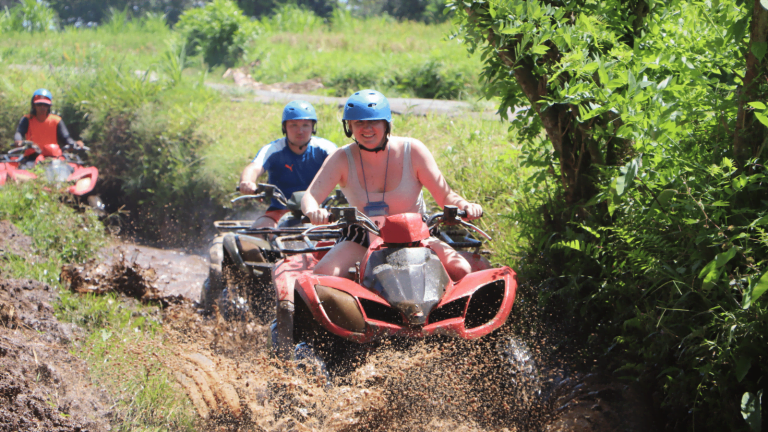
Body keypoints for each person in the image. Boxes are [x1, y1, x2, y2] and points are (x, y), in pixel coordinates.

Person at [301, 89, 482, 281]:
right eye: (359, 122)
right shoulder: (341, 158)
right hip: (363, 235)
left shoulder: (413, 151)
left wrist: (465, 206)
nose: (366, 128)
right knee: (324, 275)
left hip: (415, 233)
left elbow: (446, 196)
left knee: (461, 269)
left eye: (373, 121)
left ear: (386, 124)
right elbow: (310, 197)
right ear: (349, 127)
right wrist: (314, 211)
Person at [239, 100, 337, 229]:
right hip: (279, 211)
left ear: (313, 127)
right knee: (259, 232)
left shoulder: (326, 148)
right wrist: (247, 182)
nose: (300, 131)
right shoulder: (273, 149)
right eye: (293, 125)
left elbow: (347, 167)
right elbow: (254, 167)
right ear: (284, 127)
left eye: (305, 125)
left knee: (341, 237)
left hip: (319, 213)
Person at [14, 88, 84, 161]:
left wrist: (74, 143)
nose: (42, 107)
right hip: (31, 158)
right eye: (39, 104)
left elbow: (66, 138)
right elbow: (19, 132)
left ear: (49, 106)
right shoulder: (27, 119)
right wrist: (18, 140)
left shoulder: (56, 120)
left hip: (53, 158)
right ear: (34, 105)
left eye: (45, 105)